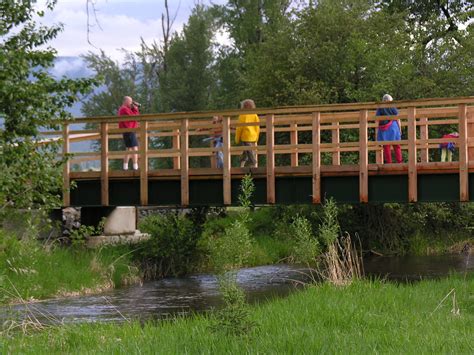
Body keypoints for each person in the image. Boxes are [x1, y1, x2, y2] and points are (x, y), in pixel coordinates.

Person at [376, 94, 402, 164]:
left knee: (386, 146)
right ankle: (399, 162)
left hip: (383, 128)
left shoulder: (380, 107)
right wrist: (400, 129)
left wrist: (377, 132)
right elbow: (397, 118)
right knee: (397, 145)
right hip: (393, 127)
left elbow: (377, 119)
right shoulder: (392, 106)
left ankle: (389, 163)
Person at [235, 99, 260, 168]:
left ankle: (253, 163)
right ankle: (242, 164)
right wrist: (257, 137)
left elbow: (239, 128)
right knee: (247, 151)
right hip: (253, 136)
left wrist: (237, 138)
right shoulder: (255, 115)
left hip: (246, 136)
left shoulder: (242, 115)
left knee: (249, 151)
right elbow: (257, 127)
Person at [118, 96, 140, 170]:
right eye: (130, 101)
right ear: (126, 101)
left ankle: (125, 166)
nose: (131, 103)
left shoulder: (123, 109)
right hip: (129, 130)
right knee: (135, 148)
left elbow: (134, 116)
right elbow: (135, 117)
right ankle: (135, 166)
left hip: (128, 130)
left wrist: (134, 108)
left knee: (129, 148)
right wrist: (136, 109)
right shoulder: (124, 109)